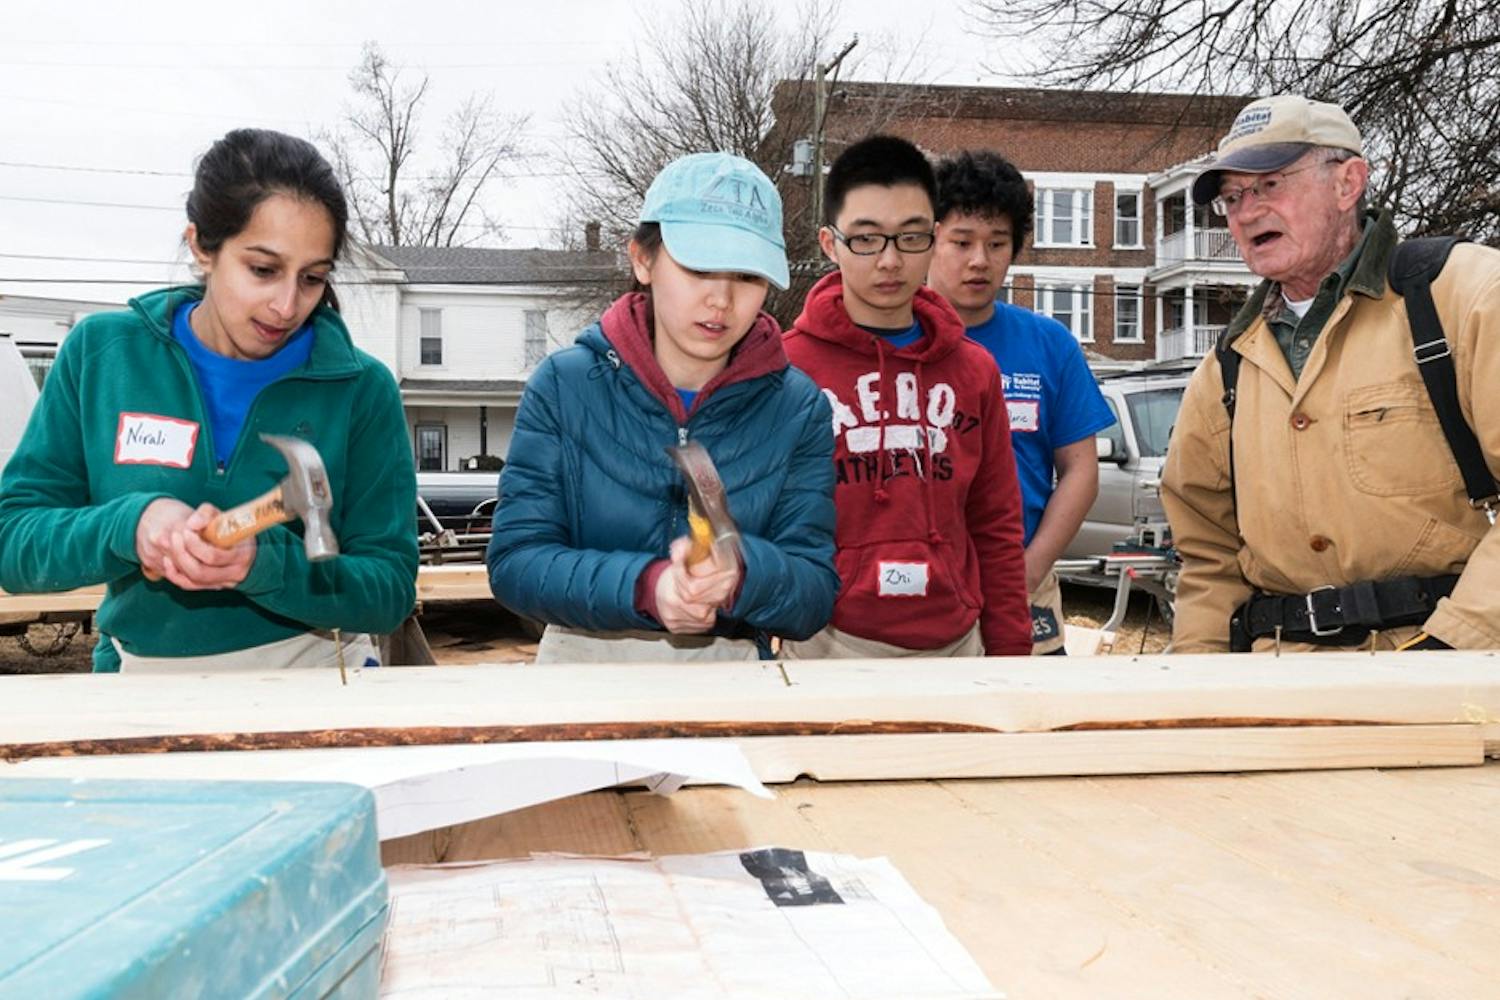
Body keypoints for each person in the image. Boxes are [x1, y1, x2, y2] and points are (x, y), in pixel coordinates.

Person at [0, 128, 418, 672]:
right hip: (141, 683)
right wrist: (132, 524)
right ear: (201, 246)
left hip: (315, 681)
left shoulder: (362, 390)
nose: (287, 305)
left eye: (313, 277)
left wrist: (265, 564)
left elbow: (388, 592)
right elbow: (13, 542)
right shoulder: (102, 355)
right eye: (263, 270)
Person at [1161, 94, 1500, 653]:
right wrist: (1205, 684)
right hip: (1281, 686)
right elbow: (1206, 552)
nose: (1246, 212)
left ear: (1348, 183)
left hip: (1450, 675)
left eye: (1271, 184)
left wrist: (1450, 650)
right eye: (1232, 197)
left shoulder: (1462, 297)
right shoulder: (1227, 366)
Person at [487, 152, 838, 663]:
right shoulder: (564, 386)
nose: (721, 298)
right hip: (583, 666)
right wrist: (646, 587)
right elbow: (517, 563)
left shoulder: (797, 407)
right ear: (643, 260)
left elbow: (813, 592)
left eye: (746, 275)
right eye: (697, 267)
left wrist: (742, 574)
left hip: (731, 671)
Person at [780, 134, 1032, 659]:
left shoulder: (974, 370)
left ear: (934, 237)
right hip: (827, 642)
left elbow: (996, 523)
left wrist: (1011, 651)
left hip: (957, 644)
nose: (890, 261)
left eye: (911, 237)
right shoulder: (786, 369)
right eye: (867, 239)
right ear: (831, 243)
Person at [928, 150, 1115, 654]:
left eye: (997, 243)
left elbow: (1080, 471)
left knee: (1030, 723)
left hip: (1024, 582)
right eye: (961, 242)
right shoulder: (895, 341)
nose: (979, 261)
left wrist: (1027, 570)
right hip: (917, 595)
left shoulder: (1049, 344)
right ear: (928, 240)